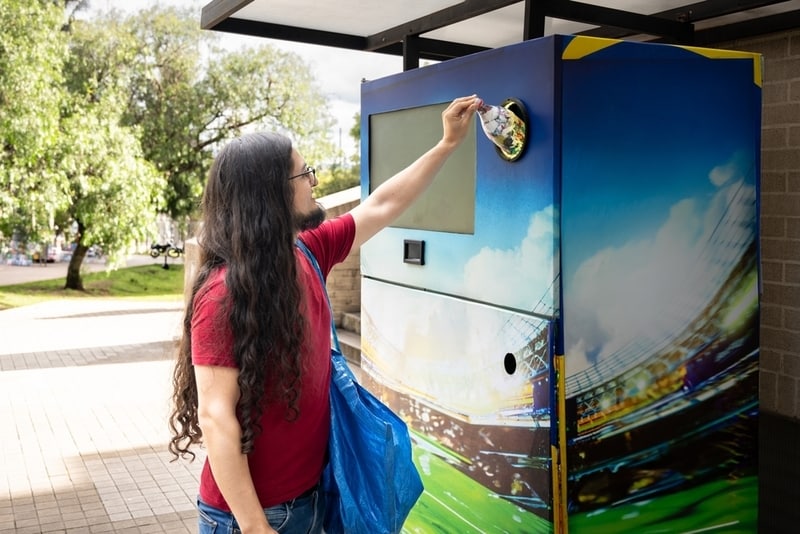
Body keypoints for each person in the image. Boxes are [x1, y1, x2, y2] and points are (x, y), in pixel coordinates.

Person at [168, 94, 480, 534]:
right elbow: (216, 416)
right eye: (304, 173)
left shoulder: (307, 252)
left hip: (314, 498)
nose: (314, 180)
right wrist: (256, 526)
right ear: (270, 192)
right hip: (252, 518)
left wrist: (447, 144)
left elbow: (382, 205)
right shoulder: (223, 293)